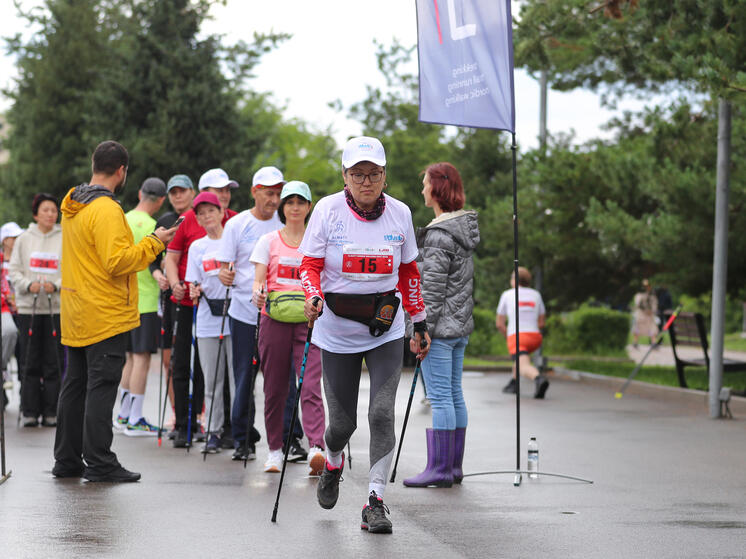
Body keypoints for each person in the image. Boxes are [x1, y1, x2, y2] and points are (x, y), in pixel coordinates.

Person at [299, 136, 430, 534]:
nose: (366, 181)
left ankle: (375, 500)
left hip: (384, 329)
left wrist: (419, 322)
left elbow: (408, 272)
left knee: (380, 413)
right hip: (336, 330)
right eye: (358, 174)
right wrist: (313, 296)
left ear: (385, 176)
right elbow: (309, 264)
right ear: (345, 176)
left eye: (373, 174)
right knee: (341, 425)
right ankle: (333, 462)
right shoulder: (327, 210)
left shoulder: (401, 214)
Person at [52, 140, 176, 482]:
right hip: (104, 311)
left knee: (75, 385)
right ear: (121, 171)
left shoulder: (73, 204)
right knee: (101, 386)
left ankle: (67, 460)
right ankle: (100, 462)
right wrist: (155, 241)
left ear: (95, 164)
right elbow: (117, 261)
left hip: (77, 309)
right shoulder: (106, 210)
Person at [403, 162, 479, 488]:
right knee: (454, 394)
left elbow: (430, 291)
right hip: (459, 327)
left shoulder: (438, 234)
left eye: (425, 184)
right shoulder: (461, 230)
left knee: (439, 397)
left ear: (436, 188)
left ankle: (439, 469)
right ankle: (453, 468)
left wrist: (420, 330)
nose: (422, 189)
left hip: (440, 331)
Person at [250, 181, 325, 474]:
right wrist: (257, 293)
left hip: (309, 321)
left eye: (301, 202)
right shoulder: (268, 240)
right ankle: (274, 451)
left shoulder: (316, 242)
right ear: (282, 207)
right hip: (275, 320)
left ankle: (317, 447)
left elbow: (324, 279)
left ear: (309, 207)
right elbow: (258, 280)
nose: (295, 207)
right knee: (275, 389)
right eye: (290, 202)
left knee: (310, 385)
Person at [165, 168, 237, 448]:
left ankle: (234, 430)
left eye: (226, 192)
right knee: (190, 367)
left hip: (233, 311)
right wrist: (178, 285)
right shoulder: (189, 226)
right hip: (194, 307)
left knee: (234, 375)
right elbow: (174, 260)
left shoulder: (235, 223)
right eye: (219, 191)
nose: (224, 196)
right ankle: (191, 425)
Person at [216, 166, 284, 461]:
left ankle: (286, 441)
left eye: (279, 194)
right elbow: (224, 267)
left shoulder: (284, 223)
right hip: (243, 311)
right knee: (244, 375)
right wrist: (225, 276)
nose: (275, 200)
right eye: (269, 193)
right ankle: (242, 439)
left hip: (279, 313)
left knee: (281, 378)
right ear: (255, 192)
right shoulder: (237, 225)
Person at [114, 178, 167, 436]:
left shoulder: (122, 218)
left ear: (139, 193)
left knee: (130, 359)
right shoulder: (154, 226)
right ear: (161, 200)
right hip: (145, 298)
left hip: (124, 299)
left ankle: (123, 415)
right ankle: (134, 418)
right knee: (142, 359)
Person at [185, 192, 234, 454]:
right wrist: (194, 289)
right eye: (201, 213)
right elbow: (193, 280)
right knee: (212, 379)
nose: (207, 217)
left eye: (211, 211)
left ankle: (238, 431)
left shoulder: (234, 239)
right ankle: (213, 432)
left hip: (235, 316)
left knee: (237, 380)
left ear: (221, 212)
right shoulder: (197, 247)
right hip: (207, 319)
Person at [8, 194, 64, 427]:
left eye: (53, 210)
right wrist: (27, 285)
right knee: (29, 360)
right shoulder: (24, 239)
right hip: (28, 308)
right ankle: (29, 410)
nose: (50, 214)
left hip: (56, 308)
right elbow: (14, 270)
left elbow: (72, 268)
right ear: (35, 214)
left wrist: (58, 284)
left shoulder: (65, 237)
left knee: (54, 361)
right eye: (45, 210)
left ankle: (51, 411)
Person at [149, 174, 195, 434]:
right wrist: (158, 275)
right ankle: (177, 411)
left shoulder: (199, 217)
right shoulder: (165, 221)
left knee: (193, 358)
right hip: (168, 297)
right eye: (173, 192)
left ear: (191, 192)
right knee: (170, 356)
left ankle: (195, 412)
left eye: (182, 191)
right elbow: (153, 259)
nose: (178, 196)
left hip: (193, 296)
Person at [496, 267, 549, 399]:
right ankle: (514, 383)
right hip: (535, 337)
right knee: (521, 357)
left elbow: (499, 324)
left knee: (523, 365)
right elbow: (542, 322)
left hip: (517, 336)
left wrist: (508, 336)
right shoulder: (536, 294)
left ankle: (538, 379)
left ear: (514, 280)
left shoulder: (507, 294)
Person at [632, 278, 658, 347]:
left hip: (649, 315)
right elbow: (638, 304)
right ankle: (635, 342)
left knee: (653, 328)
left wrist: (652, 310)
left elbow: (654, 305)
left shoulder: (652, 295)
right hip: (641, 314)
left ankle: (653, 342)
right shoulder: (639, 295)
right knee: (637, 327)